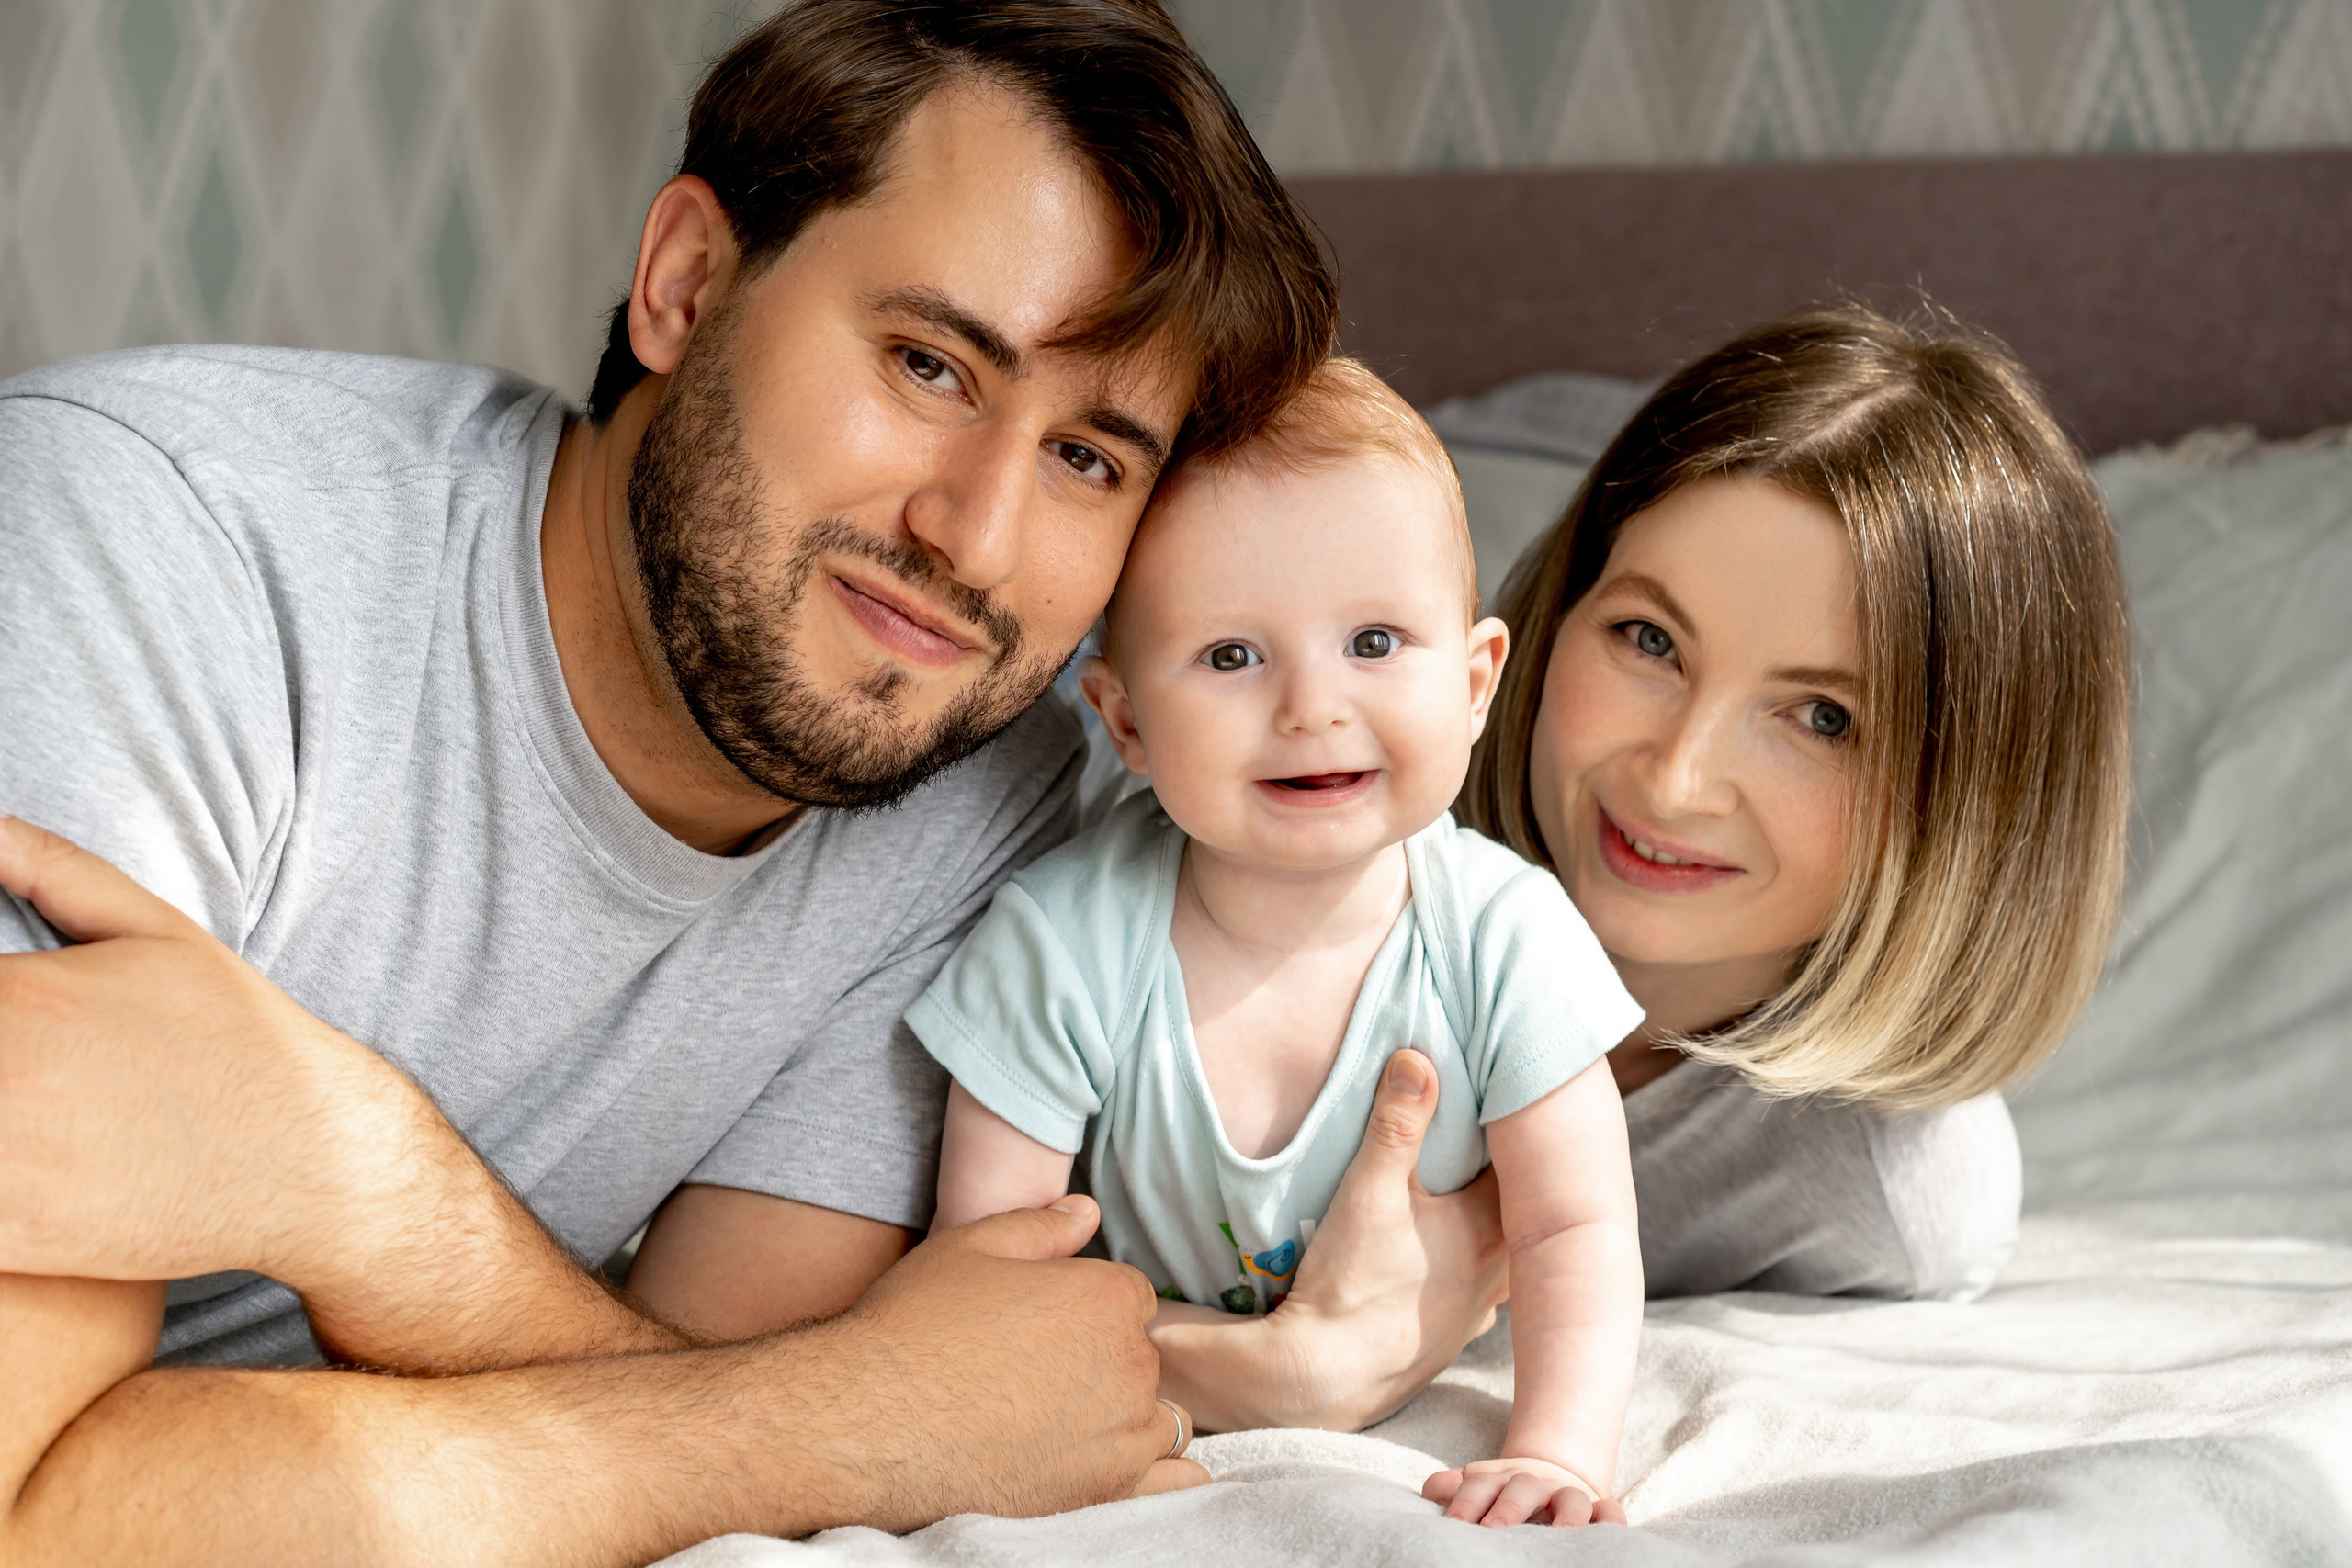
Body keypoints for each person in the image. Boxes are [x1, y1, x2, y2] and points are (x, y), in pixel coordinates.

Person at [0, 2, 1363, 1558]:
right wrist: (875, 1424)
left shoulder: (976, 801)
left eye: (1089, 460)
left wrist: (368, 1200)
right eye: (929, 364)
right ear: (687, 282)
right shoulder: (141, 549)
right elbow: (32, 1518)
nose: (974, 537)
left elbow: (702, 1434)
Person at [1134, 303, 2133, 1435]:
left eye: (1821, 717)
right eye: (1647, 640)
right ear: (1553, 616)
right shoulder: (1300, 803)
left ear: (1971, 797)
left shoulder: (1883, 1196)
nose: (1674, 780)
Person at [911, 360, 1645, 1528]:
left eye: (1373, 640)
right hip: (1142, 1419)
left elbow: (1577, 1225)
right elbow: (987, 1275)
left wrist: (1559, 1451)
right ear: (1126, 721)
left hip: (1406, 1406)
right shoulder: (1059, 946)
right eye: (1231, 657)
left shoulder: (1506, 938)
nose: (1311, 705)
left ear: (1473, 683)